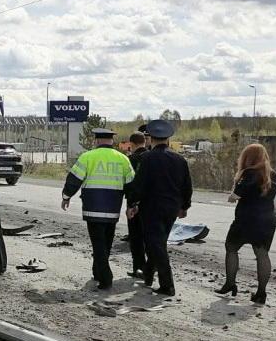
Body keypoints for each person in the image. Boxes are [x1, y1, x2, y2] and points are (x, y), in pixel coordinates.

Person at [61, 128, 134, 289]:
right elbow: (131, 185)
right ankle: (97, 272)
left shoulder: (88, 157)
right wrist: (132, 205)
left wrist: (66, 196)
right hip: (113, 209)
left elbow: (74, 180)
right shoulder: (123, 159)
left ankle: (106, 277)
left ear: (97, 141)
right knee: (106, 243)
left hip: (93, 209)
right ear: (112, 141)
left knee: (98, 244)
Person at [126, 119, 192, 297]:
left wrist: (132, 203)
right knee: (159, 242)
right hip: (172, 208)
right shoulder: (180, 159)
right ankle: (148, 274)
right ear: (168, 139)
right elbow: (187, 185)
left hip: (152, 207)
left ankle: (167, 285)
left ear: (151, 139)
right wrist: (184, 206)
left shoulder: (147, 158)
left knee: (155, 244)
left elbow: (140, 184)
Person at [215, 143, 276, 305]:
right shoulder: (272, 174)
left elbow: (235, 196)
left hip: (246, 219)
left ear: (247, 158)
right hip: (267, 220)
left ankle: (230, 283)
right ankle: (261, 293)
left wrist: (232, 195)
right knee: (262, 255)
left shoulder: (249, 173)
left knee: (231, 248)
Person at [125, 127, 149, 277]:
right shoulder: (151, 157)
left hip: (135, 202)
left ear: (132, 144)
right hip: (151, 203)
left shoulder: (131, 160)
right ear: (145, 142)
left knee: (135, 236)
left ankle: (138, 267)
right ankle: (150, 268)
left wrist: (131, 204)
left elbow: (129, 183)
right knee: (149, 236)